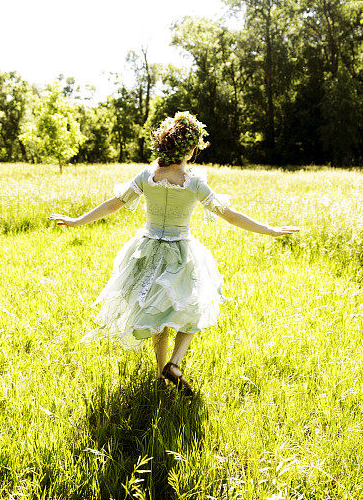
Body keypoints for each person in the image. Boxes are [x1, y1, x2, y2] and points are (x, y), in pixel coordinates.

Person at [47, 111, 300, 396]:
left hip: (147, 251)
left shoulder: (147, 175)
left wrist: (76, 220)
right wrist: (271, 229)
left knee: (158, 315)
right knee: (197, 305)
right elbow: (230, 216)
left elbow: (114, 204)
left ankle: (160, 374)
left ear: (162, 145)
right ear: (190, 149)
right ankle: (175, 363)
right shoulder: (193, 181)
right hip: (181, 252)